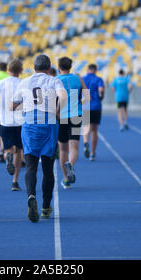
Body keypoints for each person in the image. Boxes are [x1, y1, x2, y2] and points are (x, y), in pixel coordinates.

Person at [12, 54, 67, 222]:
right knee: (48, 167)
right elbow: (64, 96)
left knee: (30, 166)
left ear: (33, 68)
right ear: (49, 67)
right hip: (49, 124)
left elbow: (12, 105)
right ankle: (45, 206)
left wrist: (24, 107)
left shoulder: (24, 82)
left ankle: (31, 196)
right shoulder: (53, 80)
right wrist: (58, 110)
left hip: (30, 125)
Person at [0, 58, 24, 191]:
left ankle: (7, 156)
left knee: (8, 148)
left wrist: (0, 108)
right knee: (19, 151)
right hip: (20, 122)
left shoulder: (2, 83)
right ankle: (15, 181)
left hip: (5, 122)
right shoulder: (23, 84)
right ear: (21, 71)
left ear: (8, 70)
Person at [56, 57, 89, 189]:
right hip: (76, 115)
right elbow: (88, 97)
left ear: (59, 67)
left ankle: (66, 179)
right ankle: (70, 164)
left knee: (63, 148)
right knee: (74, 147)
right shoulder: (78, 78)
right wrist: (79, 103)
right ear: (70, 66)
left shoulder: (56, 80)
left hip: (62, 116)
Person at [82, 63, 105, 161]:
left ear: (88, 70)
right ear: (95, 70)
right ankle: (92, 153)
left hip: (86, 105)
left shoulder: (82, 79)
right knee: (95, 130)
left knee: (86, 127)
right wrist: (101, 97)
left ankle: (86, 143)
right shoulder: (98, 79)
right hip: (96, 106)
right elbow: (101, 90)